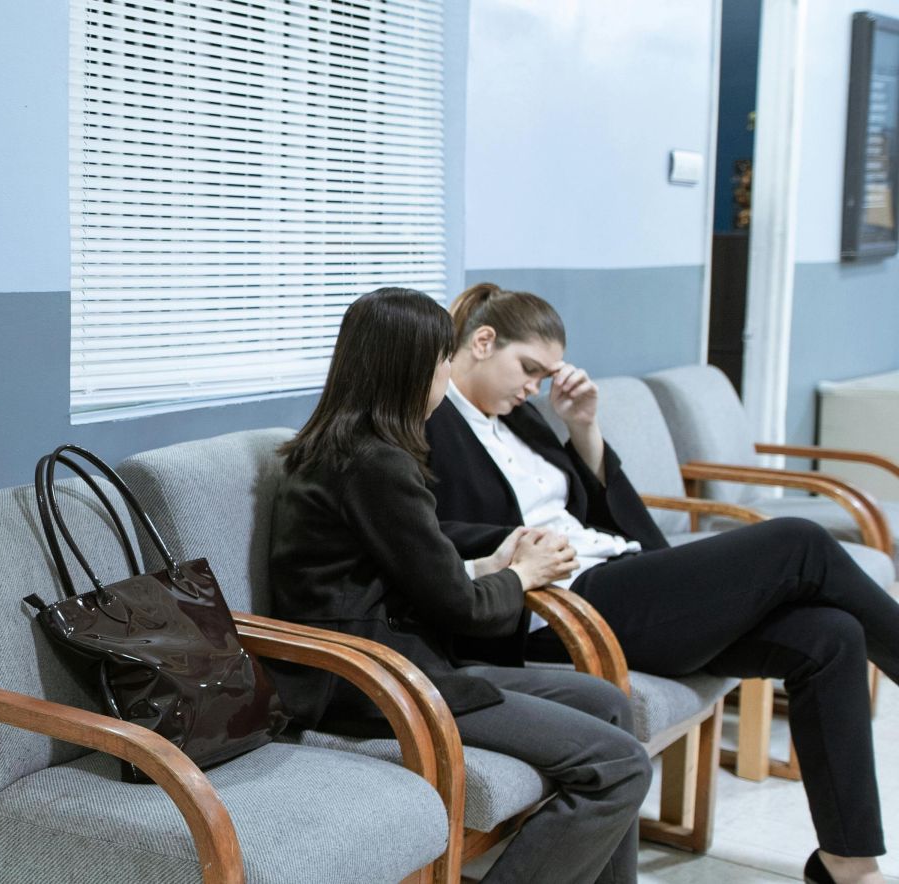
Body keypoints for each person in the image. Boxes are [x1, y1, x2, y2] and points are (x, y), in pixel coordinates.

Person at [428, 281, 899, 884]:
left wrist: (584, 429)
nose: (534, 388)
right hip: (562, 602)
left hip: (619, 577)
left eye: (546, 377)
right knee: (798, 541)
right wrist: (515, 554)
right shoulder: (433, 420)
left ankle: (847, 862)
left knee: (830, 635)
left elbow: (623, 524)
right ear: (482, 342)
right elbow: (431, 535)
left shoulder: (524, 421)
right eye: (528, 369)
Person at [270, 288, 651, 884]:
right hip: (374, 681)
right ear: (415, 369)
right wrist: (521, 575)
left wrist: (491, 563)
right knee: (621, 766)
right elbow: (462, 608)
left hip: (393, 662)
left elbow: (407, 576)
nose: (448, 375)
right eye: (444, 362)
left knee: (607, 704)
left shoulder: (344, 448)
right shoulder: (377, 464)